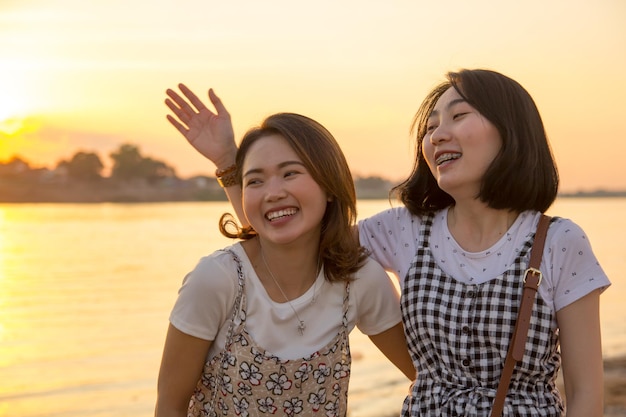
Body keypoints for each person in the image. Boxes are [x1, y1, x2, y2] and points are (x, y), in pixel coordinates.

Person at [166, 69, 610, 417]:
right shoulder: (405, 229)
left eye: (458, 116)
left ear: (511, 132)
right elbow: (295, 238)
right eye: (431, 125)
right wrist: (230, 164)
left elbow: (587, 395)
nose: (437, 135)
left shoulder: (558, 241)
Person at [155, 105, 415, 416]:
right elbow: (170, 405)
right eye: (255, 181)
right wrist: (226, 161)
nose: (273, 193)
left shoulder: (358, 280)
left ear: (329, 186)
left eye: (290, 173)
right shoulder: (217, 280)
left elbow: (427, 377)